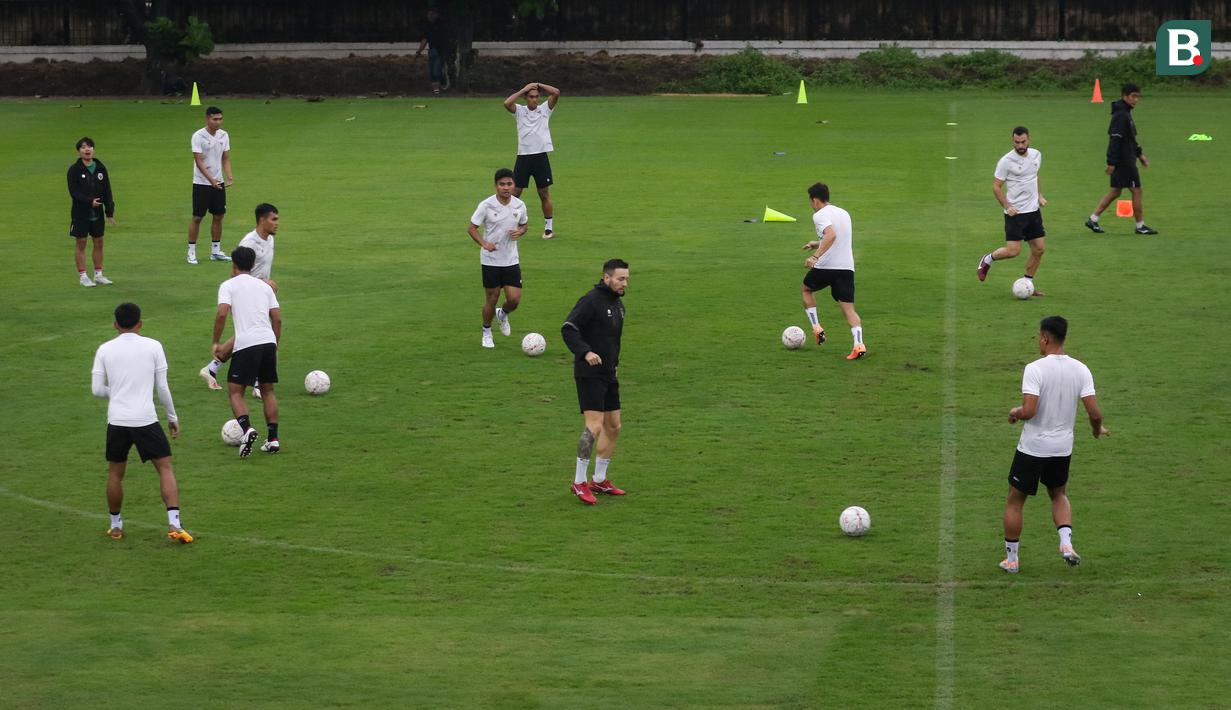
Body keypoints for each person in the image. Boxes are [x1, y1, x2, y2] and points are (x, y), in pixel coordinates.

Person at [1000, 316, 1110, 574]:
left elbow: (1030, 410)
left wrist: (1015, 411)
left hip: (1033, 447)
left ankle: (1012, 560)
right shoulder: (1081, 369)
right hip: (1062, 448)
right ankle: (1066, 543)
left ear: (1045, 338)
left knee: (1015, 501)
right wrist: (1097, 430)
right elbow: (1095, 414)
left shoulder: (1035, 369)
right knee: (1059, 494)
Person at [91, 302, 192, 543]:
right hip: (145, 419)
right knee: (165, 468)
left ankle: (115, 526)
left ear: (115, 324)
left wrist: (115, 394)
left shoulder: (104, 349)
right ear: (140, 323)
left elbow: (96, 390)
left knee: (116, 474)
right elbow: (162, 388)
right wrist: (172, 417)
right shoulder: (153, 346)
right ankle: (174, 522)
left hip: (117, 420)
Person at [561, 259, 630, 505]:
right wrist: (585, 352)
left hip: (609, 373)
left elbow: (613, 340)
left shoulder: (618, 305)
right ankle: (579, 482)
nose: (624, 283)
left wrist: (615, 364)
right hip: (589, 372)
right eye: (620, 279)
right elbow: (568, 328)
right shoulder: (590, 301)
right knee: (594, 426)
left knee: (614, 426)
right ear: (606, 277)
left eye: (627, 279)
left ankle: (599, 479)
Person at [201, 203, 280, 391]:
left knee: (250, 334)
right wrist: (262, 285)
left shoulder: (270, 239)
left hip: (261, 293)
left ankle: (212, 368)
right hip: (247, 294)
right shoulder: (249, 243)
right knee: (258, 333)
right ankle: (257, 382)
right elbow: (235, 273)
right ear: (262, 220)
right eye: (273, 219)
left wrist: (265, 286)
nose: (277, 223)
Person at [212, 246, 282, 457]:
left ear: (233, 264)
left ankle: (247, 429)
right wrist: (275, 344)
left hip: (246, 344)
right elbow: (277, 318)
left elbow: (222, 314)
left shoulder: (228, 286)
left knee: (235, 391)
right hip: (268, 341)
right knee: (268, 391)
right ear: (253, 265)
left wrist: (216, 341)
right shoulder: (264, 287)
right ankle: (273, 440)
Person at [977, 126, 1048, 295]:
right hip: (1015, 213)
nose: (1020, 145)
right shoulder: (1006, 161)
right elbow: (996, 186)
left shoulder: (1036, 154)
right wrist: (1007, 206)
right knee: (1013, 251)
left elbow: (1034, 176)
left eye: (1023, 141)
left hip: (1033, 211)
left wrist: (1040, 195)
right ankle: (987, 259)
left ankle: (1027, 283)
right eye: (1017, 142)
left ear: (1029, 139)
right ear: (1013, 141)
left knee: (1039, 249)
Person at [800, 182, 866, 360]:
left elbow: (831, 235)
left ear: (814, 200)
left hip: (827, 267)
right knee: (848, 309)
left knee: (806, 289)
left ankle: (816, 327)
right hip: (846, 268)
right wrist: (817, 242)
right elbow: (837, 237)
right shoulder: (844, 213)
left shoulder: (820, 215)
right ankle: (859, 344)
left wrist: (815, 256)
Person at [1085, 83, 1159, 235]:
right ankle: (1140, 226)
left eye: (1137, 96)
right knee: (1137, 191)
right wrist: (1111, 162)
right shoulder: (1121, 115)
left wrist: (1140, 155)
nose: (1136, 100)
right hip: (1124, 161)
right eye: (1133, 96)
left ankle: (1093, 219)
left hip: (1126, 158)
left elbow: (1130, 139)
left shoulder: (1125, 113)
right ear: (1124, 96)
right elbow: (1115, 139)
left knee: (1116, 191)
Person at [468, 168, 528, 348]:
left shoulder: (519, 205)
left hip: (511, 259)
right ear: (496, 186)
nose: (506, 188)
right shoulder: (486, 205)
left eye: (509, 184)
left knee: (514, 299)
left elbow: (524, 225)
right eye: (502, 184)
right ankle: (487, 331)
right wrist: (484, 243)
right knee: (492, 298)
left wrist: (521, 231)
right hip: (491, 260)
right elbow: (471, 228)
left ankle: (502, 314)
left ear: (514, 185)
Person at [504, 82, 560, 239]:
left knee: (543, 193)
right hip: (523, 156)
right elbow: (507, 103)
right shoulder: (520, 111)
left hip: (541, 156)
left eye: (536, 97)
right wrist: (523, 89)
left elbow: (556, 92)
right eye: (531, 97)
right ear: (525, 98)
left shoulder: (545, 110)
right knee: (515, 193)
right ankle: (509, 222)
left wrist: (538, 85)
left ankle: (548, 227)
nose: (534, 100)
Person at [67, 137, 118, 287]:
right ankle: (83, 276)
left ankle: (98, 274)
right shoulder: (74, 170)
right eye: (83, 147)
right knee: (81, 242)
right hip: (80, 212)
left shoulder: (101, 168)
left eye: (89, 147)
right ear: (79, 151)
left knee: (99, 241)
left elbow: (107, 190)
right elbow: (73, 192)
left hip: (97, 212)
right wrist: (89, 202)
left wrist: (109, 212)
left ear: (93, 150)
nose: (87, 149)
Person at [188, 105, 234, 265]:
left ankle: (215, 251)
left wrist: (229, 176)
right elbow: (199, 161)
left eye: (220, 119)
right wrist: (211, 180)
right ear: (207, 119)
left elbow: (225, 158)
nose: (218, 122)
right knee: (198, 217)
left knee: (219, 215)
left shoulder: (224, 135)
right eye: (215, 119)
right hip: (201, 183)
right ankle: (191, 252)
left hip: (218, 183)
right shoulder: (198, 136)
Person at [415, 8, 456, 95]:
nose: (429, 16)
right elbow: (425, 40)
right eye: (428, 14)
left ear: (436, 14)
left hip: (440, 51)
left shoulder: (442, 26)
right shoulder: (428, 27)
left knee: (436, 71)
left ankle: (440, 86)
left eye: (431, 14)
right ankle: (436, 91)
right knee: (432, 71)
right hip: (432, 50)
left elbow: (446, 39)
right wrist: (419, 51)